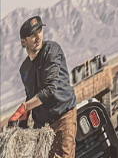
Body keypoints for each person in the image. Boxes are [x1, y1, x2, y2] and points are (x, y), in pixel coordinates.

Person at [9, 16, 77, 158]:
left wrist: (24, 107)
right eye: (32, 35)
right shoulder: (24, 69)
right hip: (43, 129)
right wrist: (22, 121)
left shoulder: (51, 50)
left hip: (63, 118)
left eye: (39, 31)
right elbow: (31, 95)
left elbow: (49, 90)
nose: (38, 37)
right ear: (23, 41)